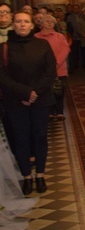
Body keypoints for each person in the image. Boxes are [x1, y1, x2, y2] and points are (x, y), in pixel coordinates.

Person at [0, 11, 56, 195]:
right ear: (13, 25)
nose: (22, 25)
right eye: (18, 22)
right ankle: (26, 176)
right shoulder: (5, 48)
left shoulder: (43, 45)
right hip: (15, 100)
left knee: (40, 136)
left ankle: (40, 174)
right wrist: (24, 93)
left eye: (26, 21)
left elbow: (50, 72)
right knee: (21, 138)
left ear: (33, 25)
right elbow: (3, 77)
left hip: (40, 99)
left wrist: (33, 93)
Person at [34, 14, 69, 120]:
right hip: (42, 69)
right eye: (47, 21)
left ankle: (59, 111)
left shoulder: (59, 36)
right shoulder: (36, 37)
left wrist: (55, 64)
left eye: (51, 21)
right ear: (41, 24)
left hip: (59, 68)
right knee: (45, 91)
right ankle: (48, 112)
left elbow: (65, 50)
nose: (49, 23)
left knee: (59, 91)